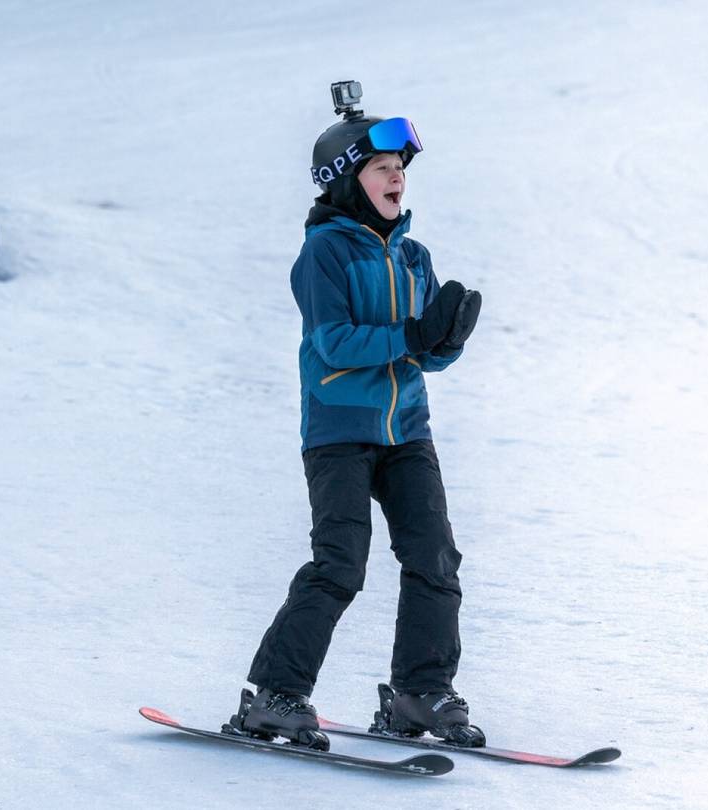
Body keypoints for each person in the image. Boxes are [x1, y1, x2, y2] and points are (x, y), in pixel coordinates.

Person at [224, 88, 484, 751]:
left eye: (401, 166)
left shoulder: (413, 257)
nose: (397, 177)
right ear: (346, 181)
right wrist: (410, 334)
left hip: (406, 433)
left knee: (434, 558)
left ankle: (418, 694)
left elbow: (424, 357)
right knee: (339, 565)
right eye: (381, 168)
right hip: (339, 431)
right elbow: (336, 344)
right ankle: (274, 697)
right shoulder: (324, 256)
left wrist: (444, 340)